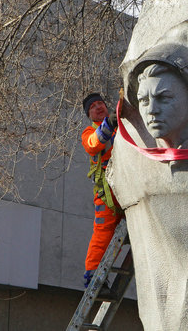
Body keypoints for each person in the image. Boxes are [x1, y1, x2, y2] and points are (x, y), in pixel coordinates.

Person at [80, 93, 122, 289]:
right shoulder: (89, 132)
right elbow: (94, 143)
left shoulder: (121, 127)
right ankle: (93, 276)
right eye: (93, 107)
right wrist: (110, 123)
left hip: (125, 184)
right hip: (106, 192)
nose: (98, 107)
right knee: (103, 231)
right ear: (89, 114)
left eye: (100, 104)